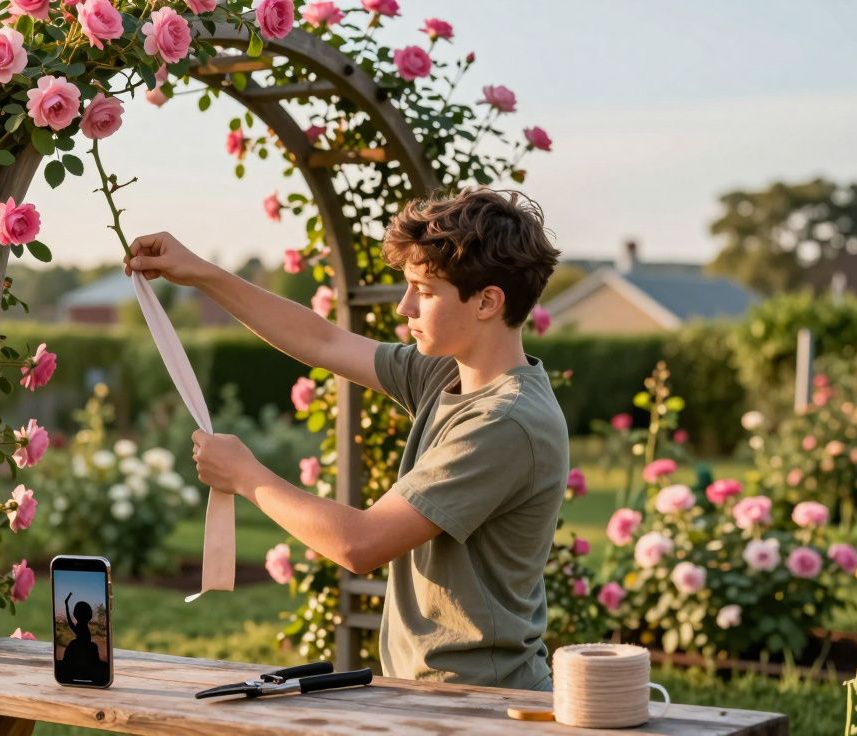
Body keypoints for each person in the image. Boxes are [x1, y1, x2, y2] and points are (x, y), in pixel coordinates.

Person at [124, 188, 568, 691]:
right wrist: (200, 271)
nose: (404, 306)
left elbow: (361, 543)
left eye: (423, 291)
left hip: (485, 703)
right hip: (435, 692)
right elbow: (322, 340)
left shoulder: (505, 421)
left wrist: (245, 476)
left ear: (487, 301)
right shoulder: (448, 373)